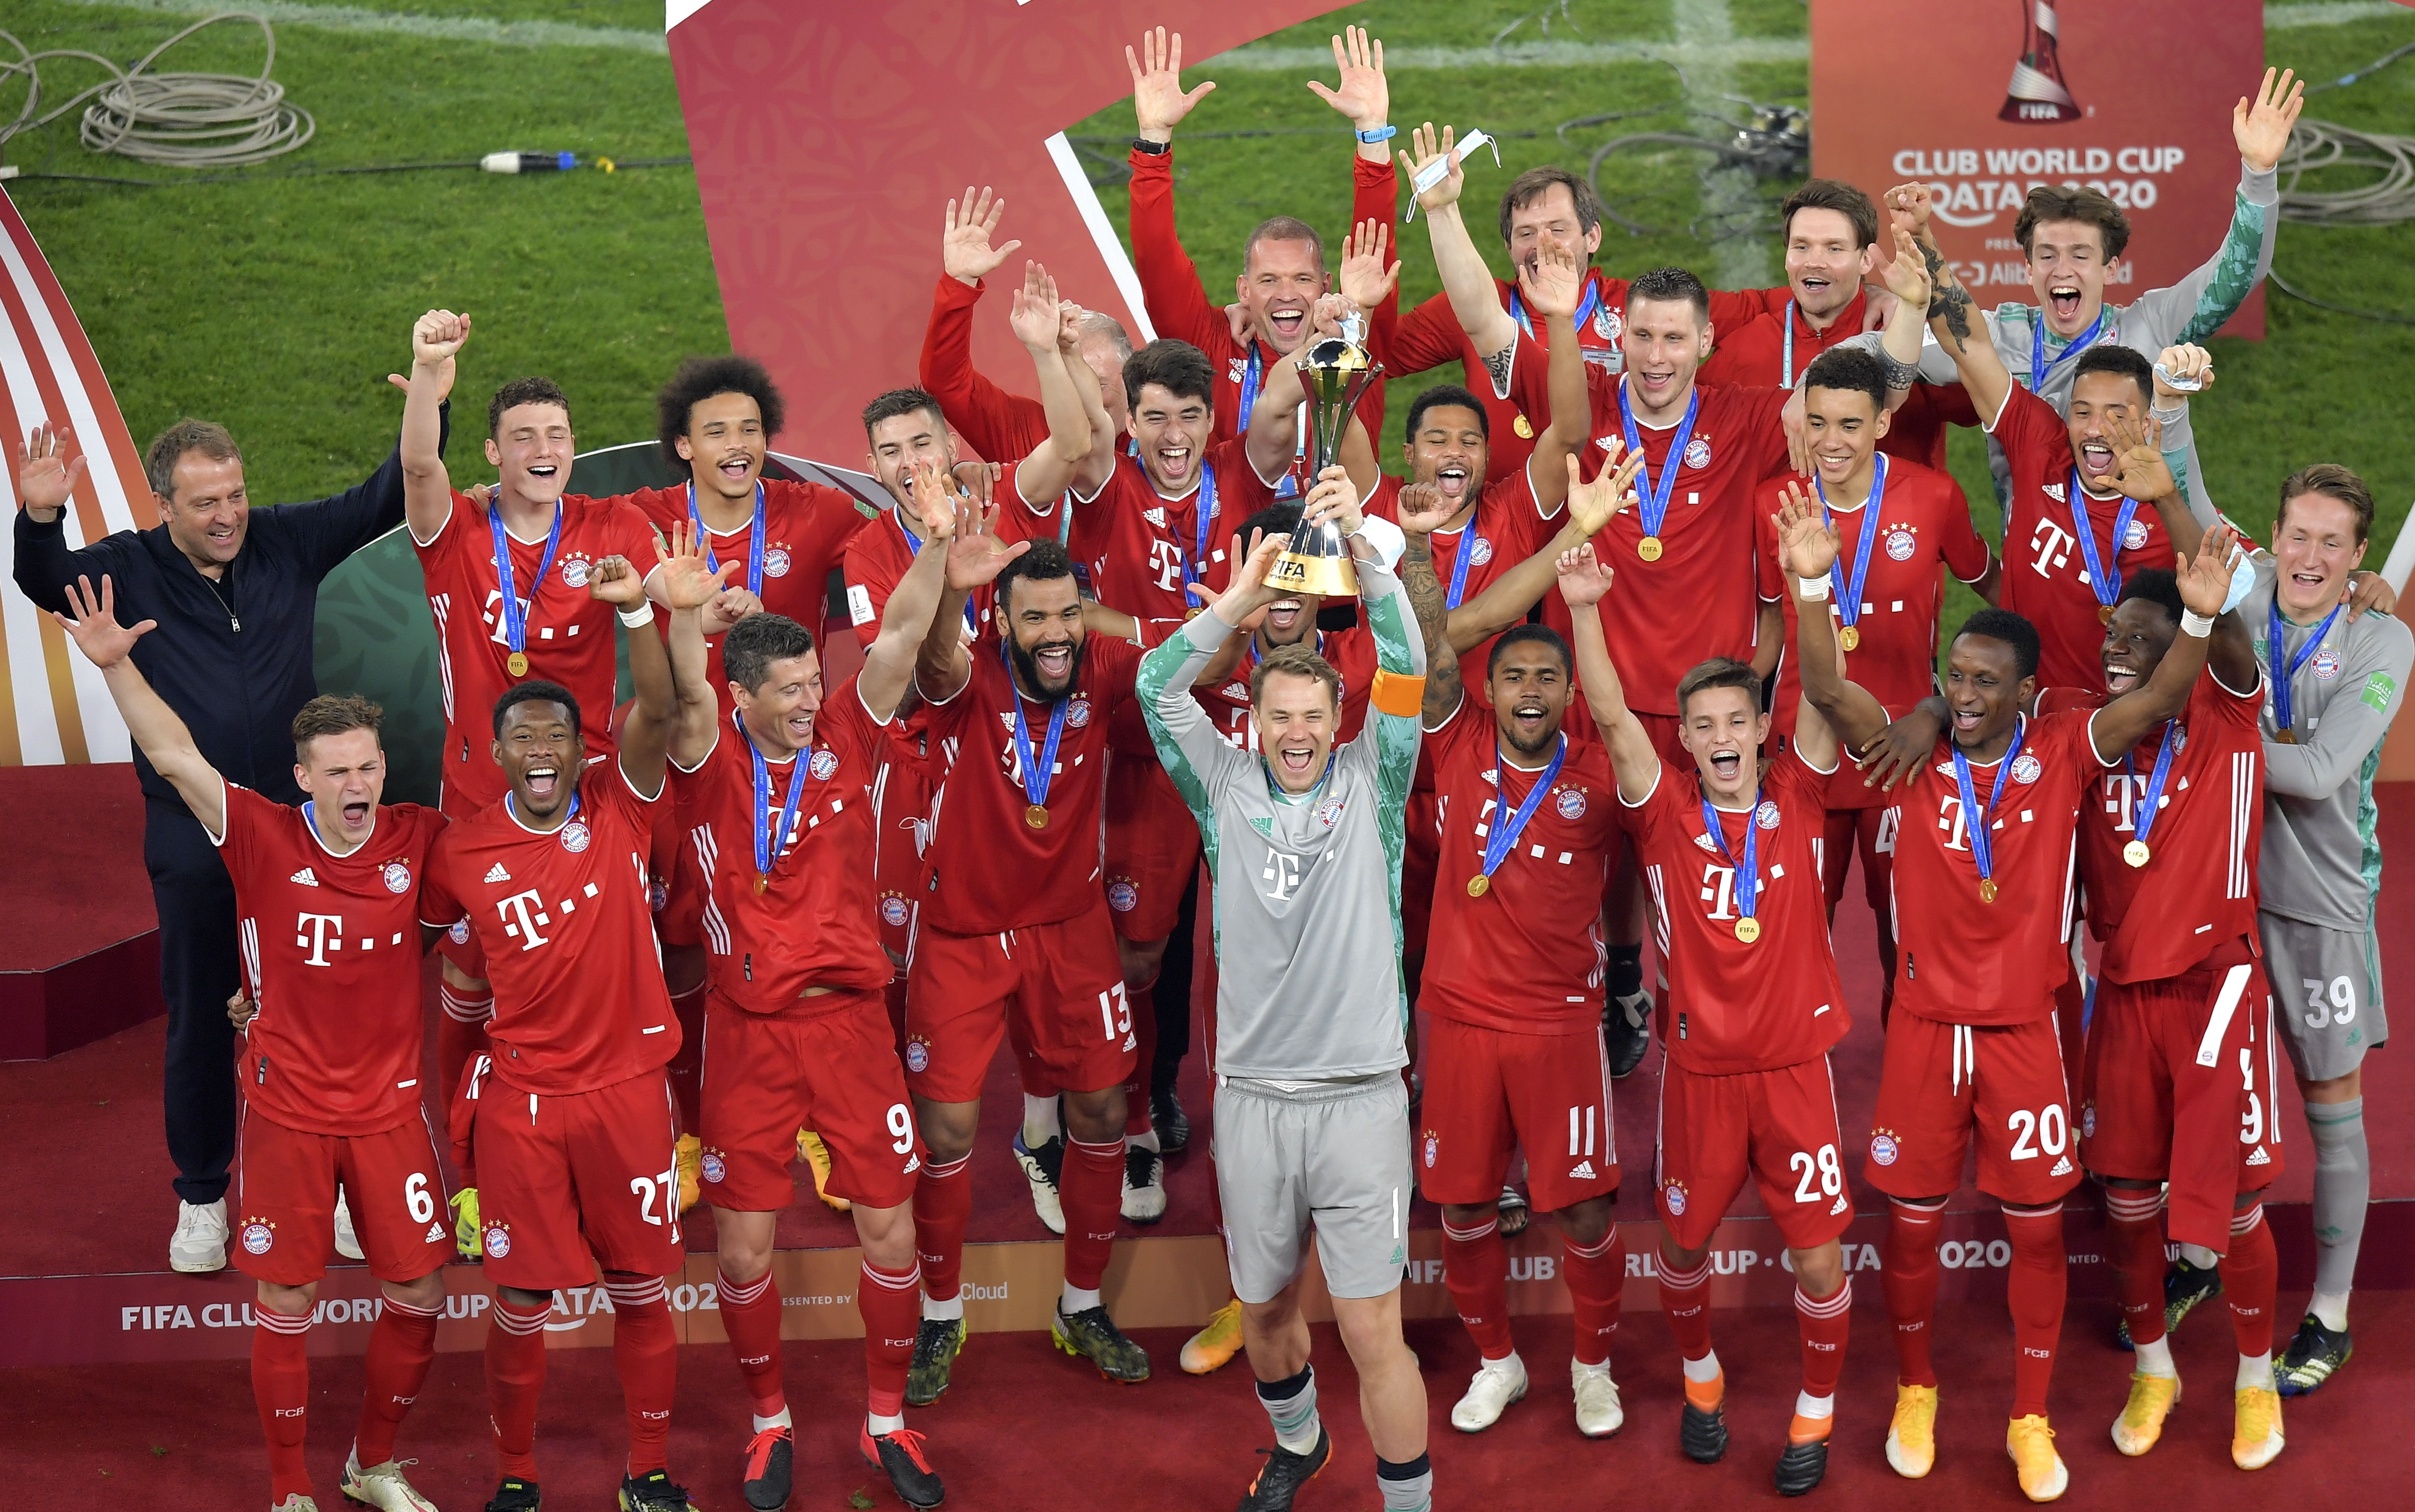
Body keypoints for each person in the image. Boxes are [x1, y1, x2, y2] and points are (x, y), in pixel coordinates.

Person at [1785, 479, 2240, 1501]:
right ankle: (1917, 1389)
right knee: (1909, 1225)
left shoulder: (2063, 751)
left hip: (2028, 1032)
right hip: (1924, 1033)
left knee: (2036, 1230)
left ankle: (2030, 1418)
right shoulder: (1911, 754)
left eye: (1988, 680)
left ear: (2028, 692)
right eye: (1957, 677)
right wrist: (1811, 585)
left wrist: (2204, 614)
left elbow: (2162, 698)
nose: (1969, 693)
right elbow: (1825, 688)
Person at [12, 388, 449, 1274]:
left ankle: (337, 1194)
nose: (228, 516)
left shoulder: (286, 539)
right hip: (192, 832)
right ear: (164, 505)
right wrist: (40, 515)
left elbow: (387, 491)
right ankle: (204, 1198)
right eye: (206, 502)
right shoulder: (126, 567)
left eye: (237, 494)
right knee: (204, 1017)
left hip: (301, 832)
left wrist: (431, 392)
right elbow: (44, 580)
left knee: (326, 1015)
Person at [59, 582, 450, 1512]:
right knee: (287, 1300)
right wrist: (116, 667)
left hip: (393, 1113)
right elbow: (172, 753)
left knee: (424, 1295)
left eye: (369, 766)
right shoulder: (261, 835)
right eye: (338, 771)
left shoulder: (420, 839)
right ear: (303, 777)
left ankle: (372, 1466)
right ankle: (289, 1492)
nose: (360, 785)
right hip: (289, 1116)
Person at [668, 462, 963, 1511]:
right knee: (743, 1243)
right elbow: (685, 688)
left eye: (809, 684)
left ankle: (888, 1419)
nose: (807, 702)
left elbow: (896, 639)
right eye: (787, 691)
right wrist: (677, 616)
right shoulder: (707, 756)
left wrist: (932, 543)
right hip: (748, 1035)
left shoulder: (845, 729)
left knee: (891, 1222)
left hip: (849, 1028)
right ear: (743, 696)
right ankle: (768, 1425)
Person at [1137, 470, 1433, 1512]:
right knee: (1263, 1316)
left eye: (1314, 715)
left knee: (1370, 1331)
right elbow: (1153, 689)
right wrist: (1242, 593)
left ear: (1338, 714)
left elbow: (1407, 660)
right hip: (1255, 1098)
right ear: (1252, 719)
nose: (1297, 734)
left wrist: (1368, 558)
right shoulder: (1218, 786)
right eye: (1279, 717)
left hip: (1359, 1103)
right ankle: (1299, 1446)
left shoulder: (1376, 784)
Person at [1557, 488, 1857, 1495]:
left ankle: (1814, 1413)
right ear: (1682, 737)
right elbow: (1606, 710)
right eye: (1704, 723)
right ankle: (1700, 1380)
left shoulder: (1802, 789)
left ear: (1760, 724)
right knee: (1681, 1245)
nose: (1723, 735)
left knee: (1820, 1262)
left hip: (1793, 1074)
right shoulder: (1662, 807)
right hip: (1699, 1077)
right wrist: (1590, 611)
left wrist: (1808, 581)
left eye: (1738, 718)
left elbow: (1824, 686)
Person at [415, 528, 719, 1512]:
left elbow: (664, 707)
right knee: (519, 1304)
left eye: (558, 734)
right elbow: (414, 956)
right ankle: (517, 1477)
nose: (543, 750)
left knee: (642, 1291)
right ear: (495, 752)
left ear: (580, 746)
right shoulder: (460, 851)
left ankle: (648, 1472)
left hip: (628, 1097)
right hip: (524, 1110)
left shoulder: (620, 803)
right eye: (524, 738)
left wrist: (638, 609)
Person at [898, 326, 1154, 1399]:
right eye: (1032, 619)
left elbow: (1198, 639)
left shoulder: (1101, 666)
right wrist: (948, 575)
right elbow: (936, 654)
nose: (1052, 636)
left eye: (1065, 617)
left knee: (1102, 1113)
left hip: (1072, 929)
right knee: (951, 1128)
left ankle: (1082, 1309)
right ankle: (940, 1316)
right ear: (1002, 621)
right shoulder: (969, 676)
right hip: (962, 937)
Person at [396, 310, 670, 1256]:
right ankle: (464, 1174)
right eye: (524, 439)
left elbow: (665, 584)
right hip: (477, 810)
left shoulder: (611, 525)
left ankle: (625, 1159)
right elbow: (421, 471)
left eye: (557, 436)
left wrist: (669, 596)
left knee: (600, 985)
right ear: (494, 452)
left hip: (588, 804)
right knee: (472, 986)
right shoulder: (456, 531)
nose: (544, 450)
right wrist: (431, 372)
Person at [2036, 556, 2285, 1472]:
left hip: (2217, 993)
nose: (2117, 650)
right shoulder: (2084, 730)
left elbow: (2221, 635)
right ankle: (2156, 1368)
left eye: (2140, 637)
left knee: (2241, 1209)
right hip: (2126, 993)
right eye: (2113, 634)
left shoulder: (2226, 712)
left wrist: (2202, 599)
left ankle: (2255, 1380)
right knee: (2130, 1203)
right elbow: (1978, 702)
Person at [1397, 476, 1627, 1442]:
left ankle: (1592, 1367)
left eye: (1547, 679)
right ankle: (1499, 1361)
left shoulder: (1599, 775)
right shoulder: (1455, 743)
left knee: (1582, 1212)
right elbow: (1426, 648)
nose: (1530, 691)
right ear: (1487, 691)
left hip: (1561, 1027)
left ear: (1567, 693)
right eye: (1515, 678)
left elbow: (1625, 720)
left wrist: (1587, 618)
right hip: (1458, 1020)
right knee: (1457, 1206)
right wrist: (1417, 548)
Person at [1875, 66, 2302, 516]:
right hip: (2039, 567)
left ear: (2110, 268)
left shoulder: (2149, 326)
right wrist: (1809, 385)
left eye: (2081, 255)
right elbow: (1888, 355)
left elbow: (2235, 277)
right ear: (2028, 269)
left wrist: (2258, 172)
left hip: (2144, 561)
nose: (2063, 271)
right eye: (2047, 256)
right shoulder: (2003, 337)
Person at [1753, 347, 1997, 1020]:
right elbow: (1767, 625)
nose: (1831, 442)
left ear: (1883, 424)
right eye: (1818, 422)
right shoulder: (1774, 502)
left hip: (1903, 752)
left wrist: (1961, 702)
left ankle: (1911, 1070)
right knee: (1798, 927)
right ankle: (1795, 1072)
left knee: (1909, 932)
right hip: (1805, 751)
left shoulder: (1934, 495)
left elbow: (1994, 588)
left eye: (1850, 425)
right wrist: (1749, 711)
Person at [2242, 465, 2412, 1394]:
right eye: (2297, 536)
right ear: (2275, 536)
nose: (2309, 556)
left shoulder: (2383, 640)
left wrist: (2201, 737)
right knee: (2213, 1097)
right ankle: (2195, 1259)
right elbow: (2174, 486)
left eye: (2332, 543)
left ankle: (2332, 1313)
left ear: (2358, 561)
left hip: (2321, 908)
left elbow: (2313, 777)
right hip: (2220, 900)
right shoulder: (2241, 597)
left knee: (2331, 1112)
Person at [1380, 166, 1782, 485]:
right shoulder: (1476, 309)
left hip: (1613, 523)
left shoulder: (1644, 313)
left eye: (1557, 229)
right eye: (1525, 234)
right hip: (1505, 528)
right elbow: (1379, 355)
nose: (1542, 244)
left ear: (1592, 237)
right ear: (1508, 248)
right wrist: (1353, 313)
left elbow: (1772, 309)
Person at [1123, 25, 1401, 455]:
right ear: (1244, 290)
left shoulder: (1357, 338)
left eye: (1302, 280)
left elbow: (1375, 241)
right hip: (1234, 524)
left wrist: (1372, 130)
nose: (1286, 295)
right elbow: (1156, 259)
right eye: (1269, 280)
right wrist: (1154, 142)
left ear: (1328, 286)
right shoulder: (1212, 343)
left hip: (1341, 522)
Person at [1702, 179, 1977, 472]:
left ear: (1866, 261)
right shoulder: (1747, 344)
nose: (1814, 262)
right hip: (1783, 515)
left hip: (1891, 518)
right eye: (1802, 246)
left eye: (1834, 249)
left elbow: (1993, 394)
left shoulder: (1904, 334)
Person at [921, 186, 1134, 461]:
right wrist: (960, 282)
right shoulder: (1026, 433)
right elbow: (945, 381)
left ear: (1132, 383)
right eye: (1070, 384)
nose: (1084, 400)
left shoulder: (1162, 441)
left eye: (1098, 385)